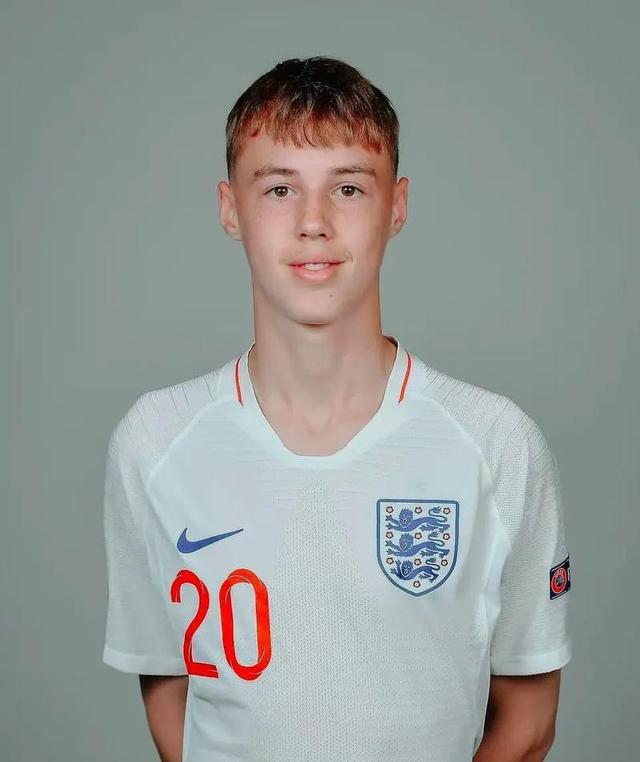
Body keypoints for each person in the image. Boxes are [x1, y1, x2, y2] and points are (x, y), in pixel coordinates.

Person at [101, 56, 572, 762]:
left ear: (397, 206)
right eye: (279, 188)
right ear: (230, 209)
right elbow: (166, 686)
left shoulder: (498, 441)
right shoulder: (155, 440)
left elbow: (530, 718)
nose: (313, 223)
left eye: (348, 187)